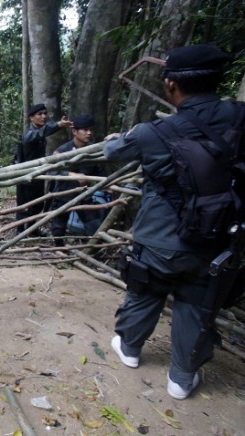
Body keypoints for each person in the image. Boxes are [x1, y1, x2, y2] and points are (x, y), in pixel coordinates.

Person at [103, 44, 236, 400]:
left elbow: (111, 153)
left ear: (171, 85)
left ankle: (129, 348)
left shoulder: (153, 133)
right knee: (196, 303)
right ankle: (182, 377)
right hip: (216, 237)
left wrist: (119, 138)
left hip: (160, 238)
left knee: (145, 290)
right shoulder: (239, 118)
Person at [48, 114, 107, 246]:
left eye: (90, 130)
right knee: (58, 229)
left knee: (94, 225)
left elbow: (100, 171)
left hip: (84, 195)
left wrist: (107, 185)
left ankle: (92, 250)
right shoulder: (63, 150)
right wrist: (70, 174)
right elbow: (51, 170)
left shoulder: (93, 151)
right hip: (64, 194)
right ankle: (58, 249)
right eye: (85, 130)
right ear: (74, 131)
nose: (89, 133)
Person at [15, 103, 72, 235]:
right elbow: (42, 132)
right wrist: (58, 125)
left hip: (38, 173)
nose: (44, 116)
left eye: (45, 113)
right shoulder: (30, 134)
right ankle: (19, 231)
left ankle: (32, 229)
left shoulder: (39, 133)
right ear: (31, 118)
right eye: (39, 114)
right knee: (24, 203)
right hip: (26, 174)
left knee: (38, 202)